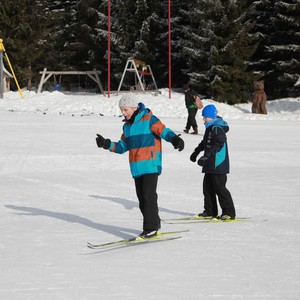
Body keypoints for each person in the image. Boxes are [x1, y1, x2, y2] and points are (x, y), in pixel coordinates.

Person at [95, 94, 185, 238]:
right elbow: (122, 147)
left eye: (125, 110)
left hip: (150, 164)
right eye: (122, 110)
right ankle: (154, 222)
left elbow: (163, 130)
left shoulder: (149, 119)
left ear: (134, 107)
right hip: (137, 168)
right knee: (142, 200)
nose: (123, 113)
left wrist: (174, 139)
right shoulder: (127, 127)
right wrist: (107, 144)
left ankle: (150, 228)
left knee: (148, 196)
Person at [189, 104, 236, 220]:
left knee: (219, 188)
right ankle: (210, 211)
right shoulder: (210, 127)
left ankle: (229, 212)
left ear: (211, 117)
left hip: (218, 163)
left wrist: (206, 156)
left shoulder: (217, 128)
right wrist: (196, 152)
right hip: (210, 162)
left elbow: (218, 144)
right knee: (207, 188)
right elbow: (205, 142)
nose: (204, 119)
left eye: (205, 117)